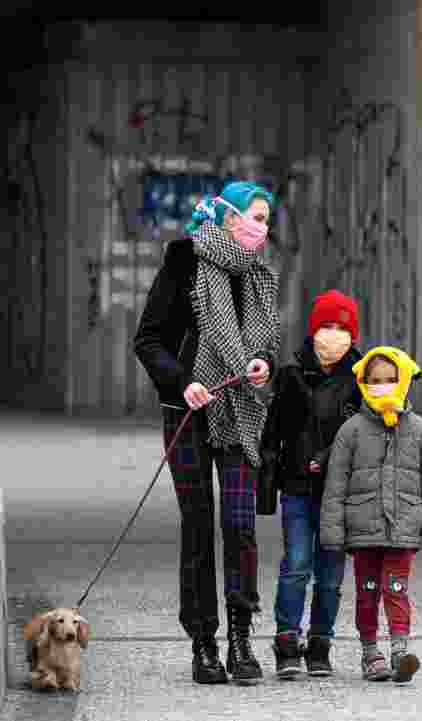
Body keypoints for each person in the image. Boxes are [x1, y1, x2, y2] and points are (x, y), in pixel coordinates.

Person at [133, 181, 281, 685]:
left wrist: (263, 365)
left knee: (240, 526)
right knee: (197, 527)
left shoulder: (261, 278)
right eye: (256, 217)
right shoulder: (184, 263)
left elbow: (266, 347)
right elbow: (148, 340)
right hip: (189, 411)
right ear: (228, 216)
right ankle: (203, 643)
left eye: (267, 219)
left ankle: (241, 639)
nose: (262, 227)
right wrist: (184, 382)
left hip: (240, 411)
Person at [320, 347, 422, 684]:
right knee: (367, 591)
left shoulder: (421, 431)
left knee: (396, 589)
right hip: (363, 531)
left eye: (391, 380)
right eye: (375, 381)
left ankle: (400, 651)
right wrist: (332, 533)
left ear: (403, 380)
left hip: (403, 529)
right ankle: (370, 652)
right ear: (363, 383)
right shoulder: (351, 430)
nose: (383, 386)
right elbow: (336, 484)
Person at [259, 290, 363, 678]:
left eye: (341, 328)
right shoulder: (291, 376)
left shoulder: (360, 379)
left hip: (340, 493)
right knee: (297, 565)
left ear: (352, 334)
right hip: (298, 488)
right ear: (312, 330)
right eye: (326, 327)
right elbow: (272, 436)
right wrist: (267, 491)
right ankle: (287, 641)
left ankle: (321, 643)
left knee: (331, 573)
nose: (332, 335)